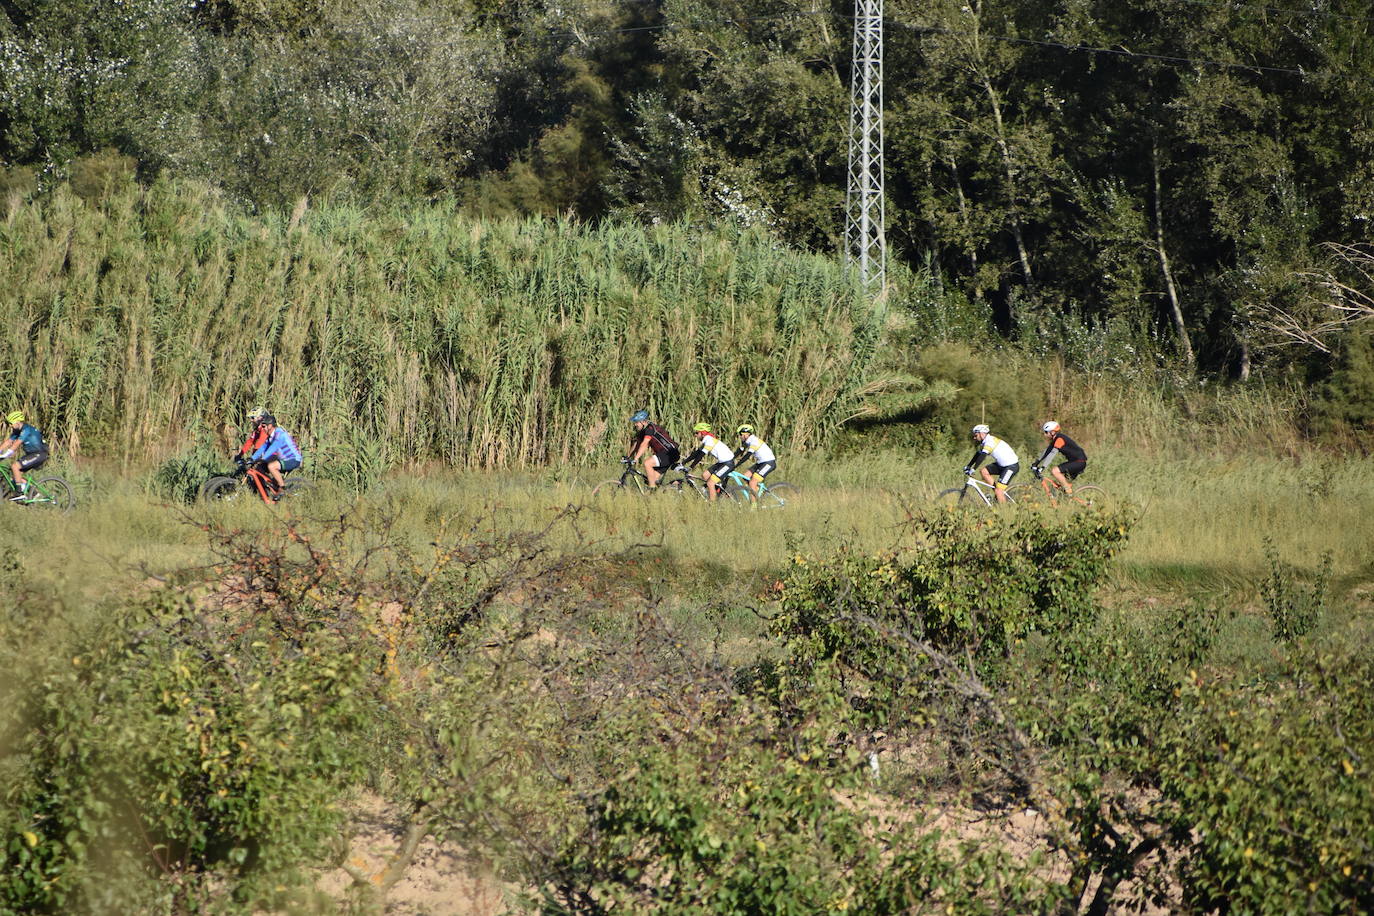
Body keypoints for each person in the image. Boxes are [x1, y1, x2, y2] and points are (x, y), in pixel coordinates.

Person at [249, 414, 302, 499]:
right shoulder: (271, 436)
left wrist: (263, 458)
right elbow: (263, 447)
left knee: (272, 466)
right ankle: (268, 489)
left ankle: (282, 488)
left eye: (264, 426)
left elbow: (274, 447)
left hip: (293, 459)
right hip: (284, 459)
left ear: (270, 426)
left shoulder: (279, 434)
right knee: (259, 468)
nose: (263, 428)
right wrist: (252, 458)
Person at [964, 423, 1019, 504]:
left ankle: (1004, 508)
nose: (974, 437)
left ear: (982, 434)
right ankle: (998, 494)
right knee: (984, 471)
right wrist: (968, 466)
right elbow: (978, 454)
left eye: (976, 435)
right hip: (1002, 465)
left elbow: (983, 456)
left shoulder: (990, 441)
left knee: (999, 490)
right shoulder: (984, 442)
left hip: (1011, 466)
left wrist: (973, 469)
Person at [625, 409, 681, 489]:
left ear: (643, 422)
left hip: (669, 453)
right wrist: (628, 456)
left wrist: (636, 458)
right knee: (651, 479)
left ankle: (652, 489)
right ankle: (676, 484)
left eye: (637, 422)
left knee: (647, 463)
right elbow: (637, 444)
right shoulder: (643, 431)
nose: (635, 424)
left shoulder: (650, 429)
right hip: (665, 454)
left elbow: (644, 444)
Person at [0, 411, 48, 502]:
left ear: (17, 422)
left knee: (15, 466)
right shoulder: (17, 431)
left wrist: (6, 454)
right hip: (31, 454)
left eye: (11, 423)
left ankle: (19, 493)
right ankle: (34, 493)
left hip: (39, 454)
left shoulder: (26, 429)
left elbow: (17, 443)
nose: (10, 426)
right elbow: (8, 442)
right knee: (14, 476)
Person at [682, 422, 735, 502]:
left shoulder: (709, 440)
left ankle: (712, 505)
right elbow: (696, 453)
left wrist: (691, 467)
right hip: (721, 463)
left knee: (710, 483)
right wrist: (683, 462)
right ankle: (716, 492)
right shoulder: (706, 440)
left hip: (728, 463)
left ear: (703, 433)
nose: (695, 435)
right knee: (705, 475)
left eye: (697, 433)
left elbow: (701, 455)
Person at [1032, 420, 1087, 497]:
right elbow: (1046, 452)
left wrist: (1043, 467)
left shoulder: (1060, 439)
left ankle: (1068, 490)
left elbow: (1052, 453)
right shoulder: (1055, 440)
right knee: (1060, 485)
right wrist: (1036, 463)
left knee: (1055, 471)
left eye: (1046, 432)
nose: (1044, 434)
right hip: (1075, 462)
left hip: (1079, 462)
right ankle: (1066, 498)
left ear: (1052, 432)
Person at [734, 424, 777, 502]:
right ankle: (756, 492)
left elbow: (748, 455)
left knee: (752, 482)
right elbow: (740, 451)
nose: (739, 436)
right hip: (761, 463)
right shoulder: (747, 441)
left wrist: (737, 465)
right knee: (745, 476)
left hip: (768, 463)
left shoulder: (754, 441)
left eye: (741, 434)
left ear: (746, 434)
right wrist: (730, 459)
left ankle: (754, 505)